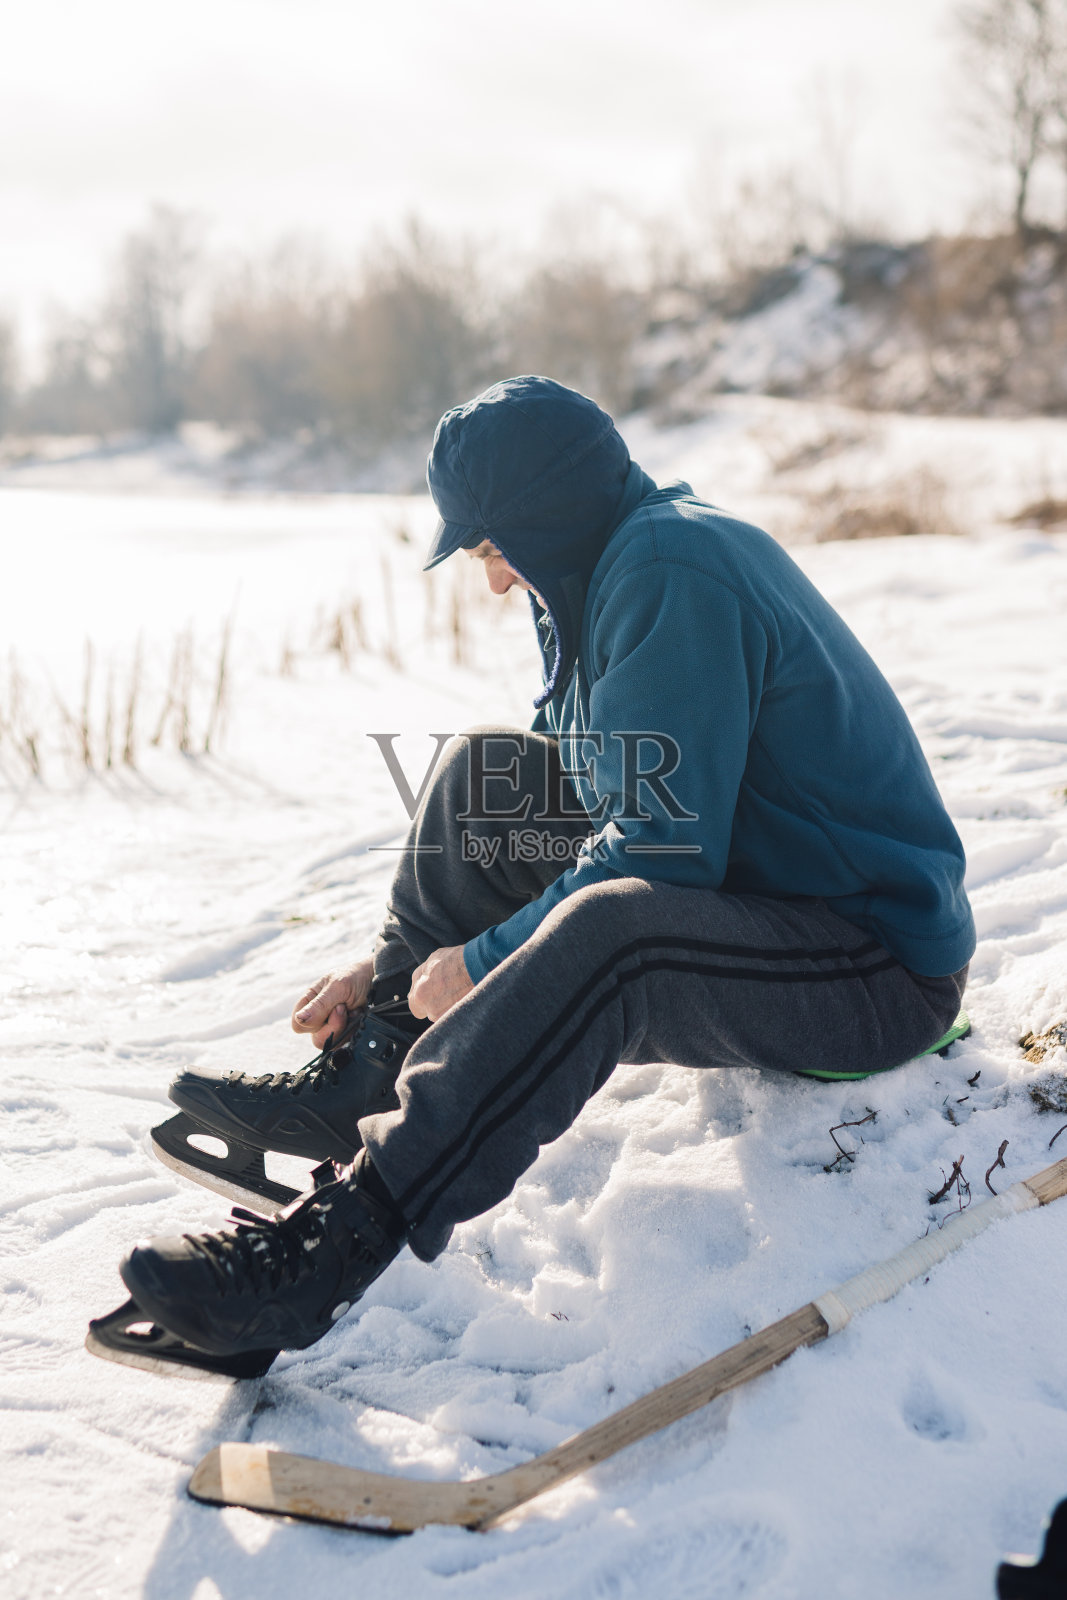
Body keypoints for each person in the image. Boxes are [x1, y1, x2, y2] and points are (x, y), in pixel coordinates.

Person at [100, 375, 975, 1375]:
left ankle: (327, 1249)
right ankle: (374, 1064)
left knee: (618, 933)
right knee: (489, 773)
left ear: (542, 520)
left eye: (489, 550)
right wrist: (393, 968)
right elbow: (576, 789)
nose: (493, 583)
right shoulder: (595, 572)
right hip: (757, 898)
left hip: (867, 965)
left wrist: (477, 962)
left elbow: (657, 850)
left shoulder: (669, 565)